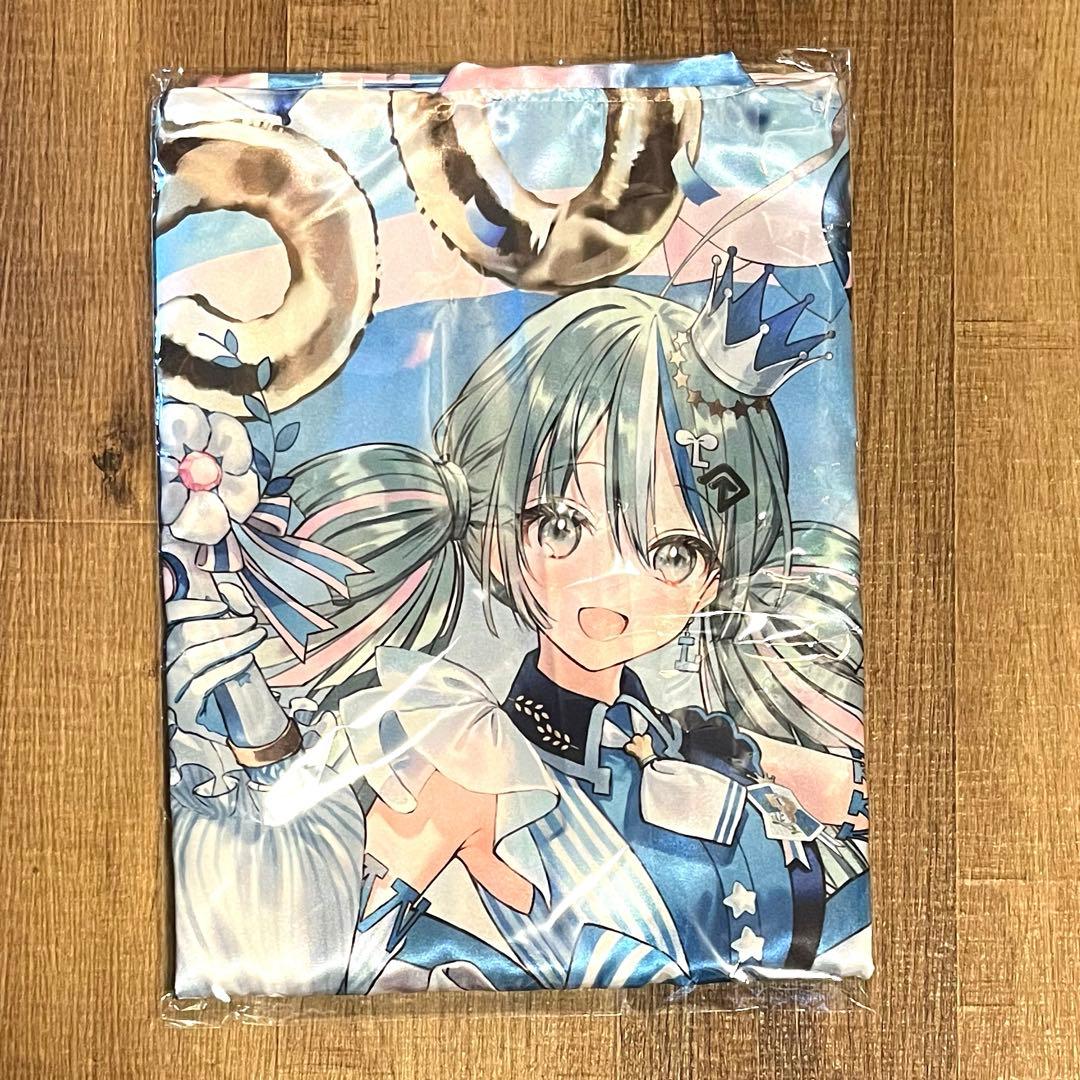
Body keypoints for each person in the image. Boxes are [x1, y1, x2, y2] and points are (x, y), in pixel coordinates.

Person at [166, 252, 871, 995]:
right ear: (498, 532)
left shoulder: (707, 746)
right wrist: (259, 731)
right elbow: (318, 955)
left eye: (672, 551)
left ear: (718, 573)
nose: (613, 588)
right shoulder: (474, 763)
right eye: (561, 526)